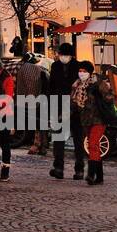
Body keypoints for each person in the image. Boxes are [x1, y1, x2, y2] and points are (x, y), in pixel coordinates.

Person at [73, 61, 116, 185]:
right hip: (85, 120)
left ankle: (91, 174)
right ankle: (100, 176)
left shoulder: (98, 83)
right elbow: (74, 103)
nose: (81, 73)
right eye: (80, 71)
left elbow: (110, 97)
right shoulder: (77, 85)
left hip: (99, 119)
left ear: (89, 72)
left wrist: (100, 96)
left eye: (84, 71)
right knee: (93, 146)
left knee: (92, 144)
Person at [48, 42, 84, 180]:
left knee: (78, 139)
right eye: (61, 54)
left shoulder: (78, 67)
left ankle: (79, 169)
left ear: (71, 55)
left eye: (65, 55)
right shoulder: (55, 66)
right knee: (58, 138)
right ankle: (58, 168)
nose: (63, 57)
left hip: (75, 106)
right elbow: (51, 86)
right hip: (59, 105)